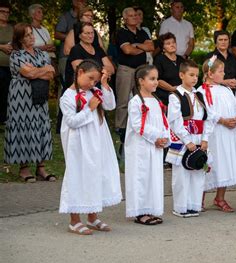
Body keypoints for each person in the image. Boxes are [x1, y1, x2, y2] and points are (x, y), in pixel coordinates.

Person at [59, 59, 121, 235]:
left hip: (97, 140)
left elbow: (110, 105)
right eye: (90, 78)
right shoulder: (68, 97)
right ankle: (74, 220)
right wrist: (89, 108)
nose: (92, 83)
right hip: (79, 143)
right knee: (78, 175)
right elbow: (71, 121)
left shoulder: (94, 90)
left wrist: (104, 85)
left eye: (95, 80)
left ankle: (93, 216)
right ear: (79, 73)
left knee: (95, 174)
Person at [4, 23, 55, 182]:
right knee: (23, 126)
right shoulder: (16, 55)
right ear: (19, 39)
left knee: (41, 125)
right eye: (27, 35)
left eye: (31, 34)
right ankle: (24, 168)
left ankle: (41, 168)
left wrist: (37, 72)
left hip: (39, 95)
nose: (31, 37)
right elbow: (29, 73)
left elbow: (51, 74)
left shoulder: (42, 53)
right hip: (21, 97)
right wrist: (42, 70)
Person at [198, 57, 236, 212]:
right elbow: (206, 110)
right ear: (210, 74)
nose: (224, 73)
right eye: (221, 71)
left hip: (229, 133)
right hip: (214, 133)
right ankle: (199, 197)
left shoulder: (225, 90)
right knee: (211, 162)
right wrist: (222, 120)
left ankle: (220, 197)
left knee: (226, 161)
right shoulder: (202, 91)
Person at [125, 64, 169, 225]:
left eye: (157, 79)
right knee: (141, 177)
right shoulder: (136, 101)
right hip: (141, 147)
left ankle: (151, 208)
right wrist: (156, 137)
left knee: (153, 177)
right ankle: (140, 212)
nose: (156, 82)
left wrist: (164, 137)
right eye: (152, 79)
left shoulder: (156, 100)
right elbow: (138, 124)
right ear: (141, 81)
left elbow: (164, 121)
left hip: (155, 146)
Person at [166, 60, 211, 218]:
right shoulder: (175, 96)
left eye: (196, 76)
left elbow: (207, 118)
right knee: (182, 175)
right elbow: (175, 121)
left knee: (197, 172)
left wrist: (205, 138)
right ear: (181, 75)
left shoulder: (199, 95)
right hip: (184, 139)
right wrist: (187, 141)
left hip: (199, 138)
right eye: (191, 75)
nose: (194, 78)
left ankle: (194, 205)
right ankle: (181, 207)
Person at [115, 7, 154, 157]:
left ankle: (140, 124)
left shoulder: (142, 32)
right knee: (124, 99)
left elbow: (150, 47)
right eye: (131, 16)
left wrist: (136, 46)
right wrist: (140, 48)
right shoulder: (122, 32)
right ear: (125, 19)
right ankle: (121, 128)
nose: (135, 18)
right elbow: (127, 51)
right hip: (126, 70)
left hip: (141, 70)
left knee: (142, 98)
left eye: (136, 16)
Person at [64, 22, 114, 90]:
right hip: (80, 90)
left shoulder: (98, 49)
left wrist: (98, 71)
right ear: (79, 35)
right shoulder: (76, 50)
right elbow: (83, 72)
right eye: (87, 33)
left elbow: (111, 69)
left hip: (99, 88)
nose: (90, 36)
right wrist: (104, 71)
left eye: (92, 33)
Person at [55, 0, 84, 84]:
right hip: (66, 57)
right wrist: (73, 38)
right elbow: (57, 34)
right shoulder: (66, 16)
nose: (79, 2)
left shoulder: (86, 18)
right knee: (66, 85)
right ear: (73, 2)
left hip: (82, 56)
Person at [153, 32, 184, 105]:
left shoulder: (181, 59)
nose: (172, 45)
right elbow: (158, 80)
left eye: (173, 42)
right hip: (165, 97)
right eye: (168, 43)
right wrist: (172, 89)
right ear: (163, 48)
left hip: (181, 95)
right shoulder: (159, 60)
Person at [0, 2, 12, 124]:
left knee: (6, 93)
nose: (5, 14)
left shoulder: (11, 28)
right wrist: (2, 46)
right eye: (2, 11)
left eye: (7, 12)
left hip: (10, 66)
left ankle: (3, 119)